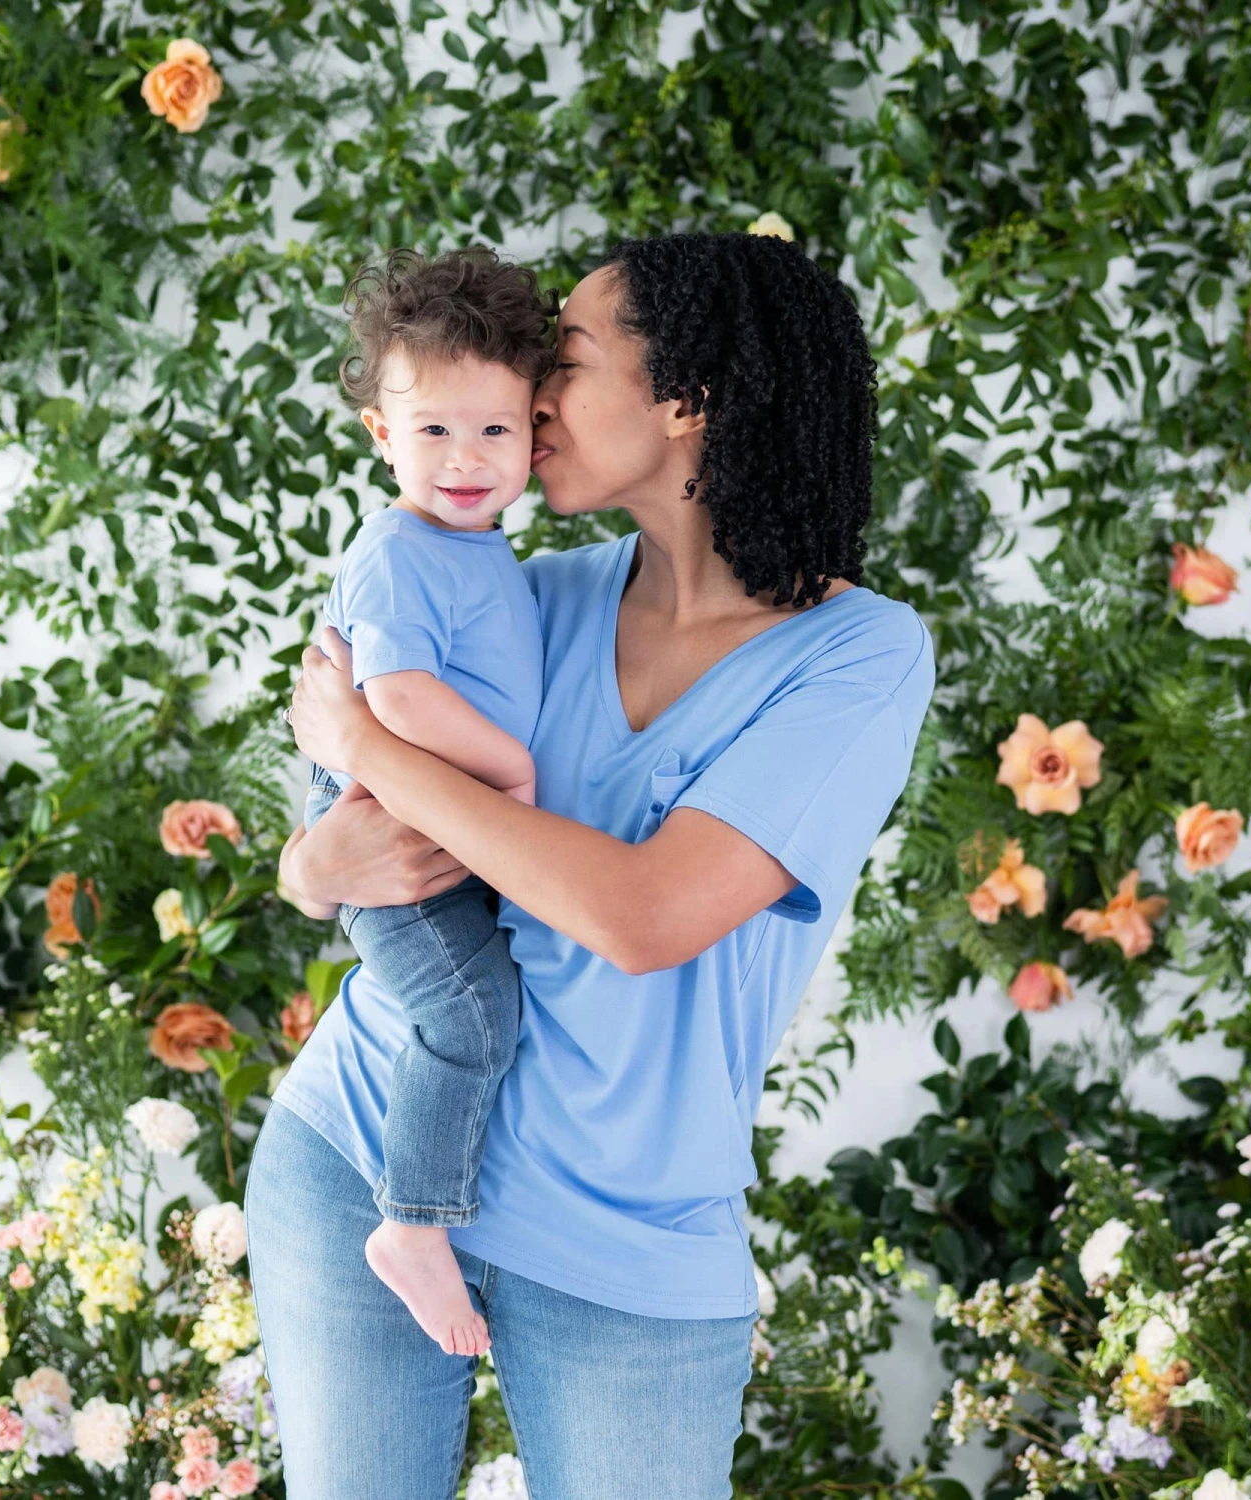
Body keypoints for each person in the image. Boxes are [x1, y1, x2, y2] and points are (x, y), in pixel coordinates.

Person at [247, 231, 936, 1500]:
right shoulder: (535, 596)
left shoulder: (857, 657)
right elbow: (345, 836)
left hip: (624, 1245)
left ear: (688, 400)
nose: (529, 392)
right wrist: (309, 865)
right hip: (365, 1150)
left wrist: (365, 746)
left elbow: (646, 915)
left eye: (563, 358)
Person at [298, 246, 554, 1356]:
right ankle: (410, 1225)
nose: (464, 458)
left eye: (494, 429)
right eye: (433, 429)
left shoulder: (485, 552)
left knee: (478, 1007)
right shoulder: (401, 552)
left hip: (424, 827)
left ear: (536, 433)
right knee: (470, 1017)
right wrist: (511, 773)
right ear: (380, 434)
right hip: (389, 836)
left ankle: (426, 1210)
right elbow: (395, 698)